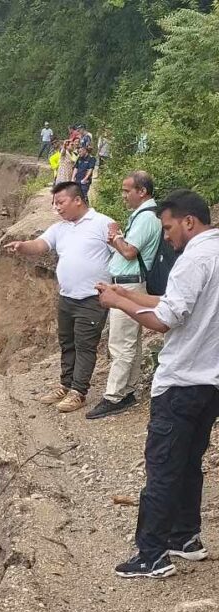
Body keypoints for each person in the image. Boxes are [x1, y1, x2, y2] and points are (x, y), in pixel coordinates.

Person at [97, 190, 219, 579]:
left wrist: (118, 304)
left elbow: (163, 320)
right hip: (210, 383)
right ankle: (185, 537)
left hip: (181, 380)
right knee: (188, 463)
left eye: (168, 227)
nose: (166, 236)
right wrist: (127, 294)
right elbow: (174, 303)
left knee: (163, 468)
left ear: (188, 222)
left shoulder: (193, 259)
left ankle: (151, 555)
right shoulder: (214, 255)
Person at [5, 181, 113, 413]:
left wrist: (115, 291)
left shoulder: (103, 224)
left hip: (92, 298)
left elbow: (121, 255)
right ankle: (65, 385)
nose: (58, 208)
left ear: (77, 200)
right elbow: (40, 245)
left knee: (85, 345)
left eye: (61, 202)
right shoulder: (60, 229)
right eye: (55, 204)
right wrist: (22, 246)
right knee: (67, 343)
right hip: (67, 297)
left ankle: (78, 392)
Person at [86, 172, 162, 420]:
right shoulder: (144, 216)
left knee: (121, 342)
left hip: (130, 285)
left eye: (127, 190)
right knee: (131, 340)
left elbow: (129, 252)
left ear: (142, 191)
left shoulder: (146, 218)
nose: (123, 196)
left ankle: (115, 396)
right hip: (131, 284)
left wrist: (115, 236)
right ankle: (127, 389)